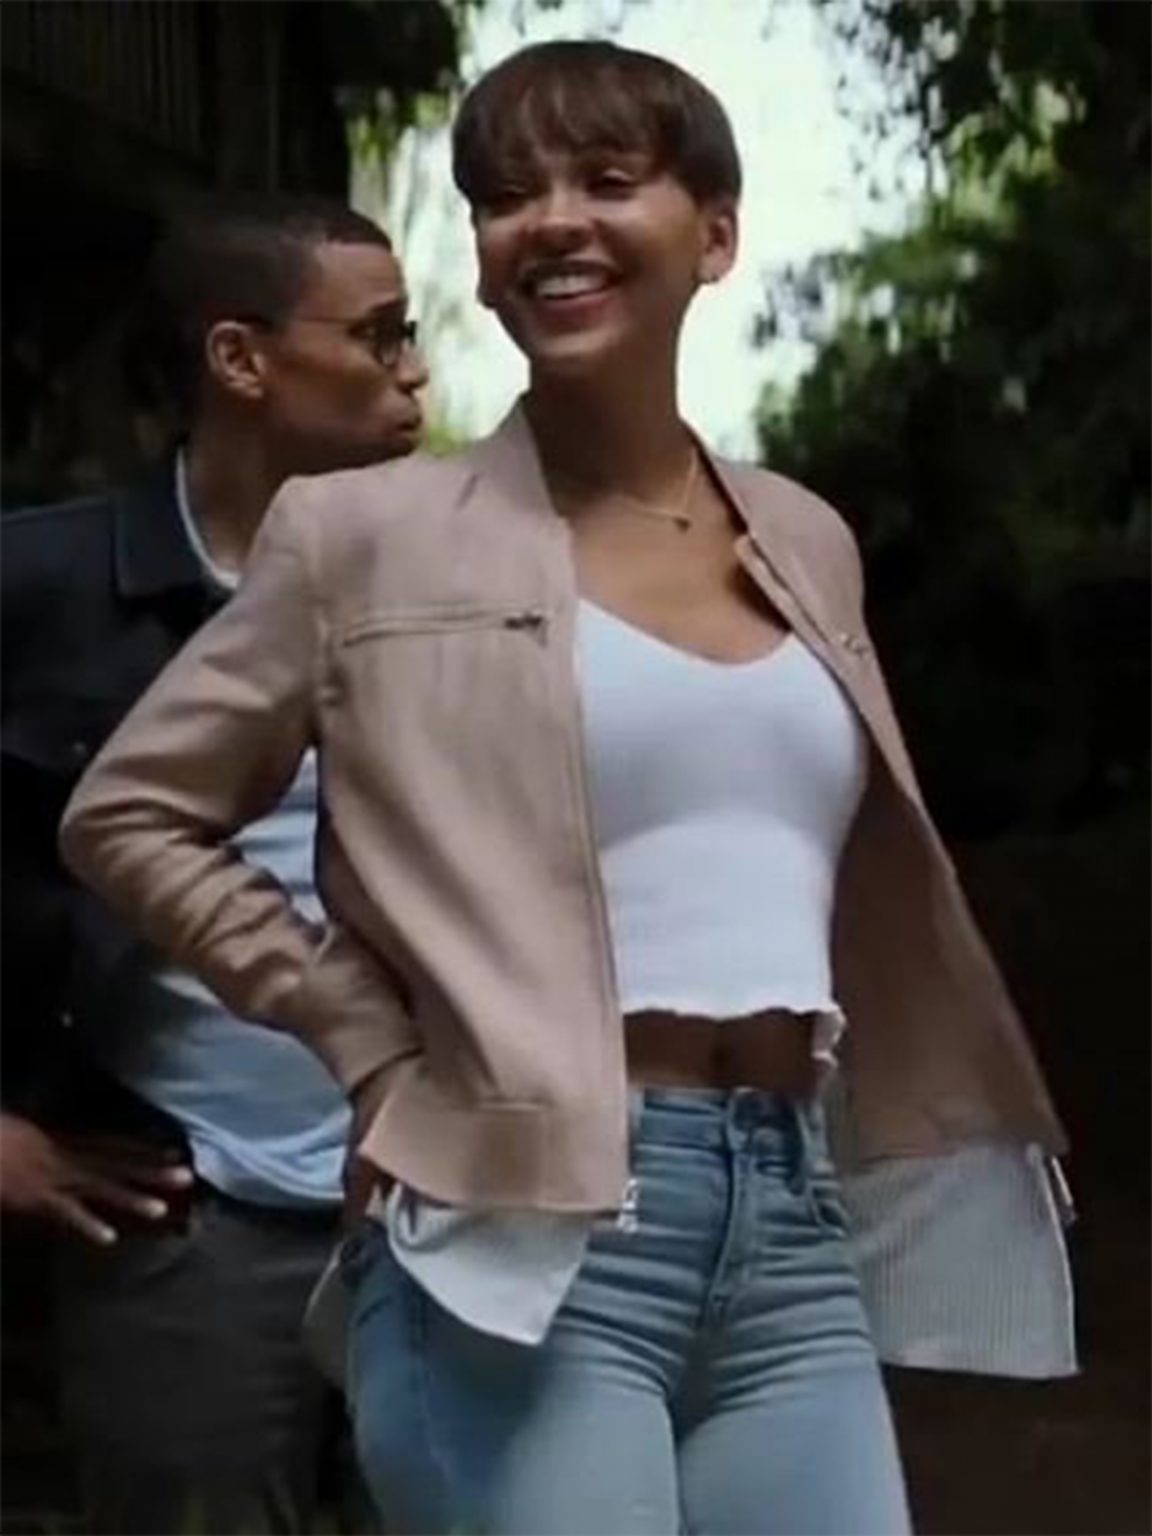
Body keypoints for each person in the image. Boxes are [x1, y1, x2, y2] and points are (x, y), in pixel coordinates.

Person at [59, 42, 1077, 1536]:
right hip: (520, 1228)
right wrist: (362, 1037)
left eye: (607, 180)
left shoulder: (805, 537)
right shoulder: (365, 535)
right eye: (506, 195)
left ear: (714, 234)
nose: (549, 221)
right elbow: (130, 814)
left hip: (789, 1218)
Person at [2, 194, 427, 1534]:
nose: (415, 373)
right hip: (183, 1212)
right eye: (380, 336)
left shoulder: (455, 585)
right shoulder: (40, 586)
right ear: (240, 359)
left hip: (436, 1200)